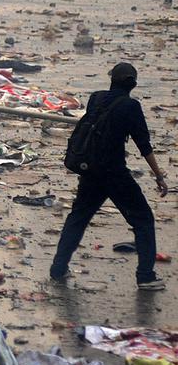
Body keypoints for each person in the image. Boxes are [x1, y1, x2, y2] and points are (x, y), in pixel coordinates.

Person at [50, 63, 168, 290]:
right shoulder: (131, 106)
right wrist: (159, 176)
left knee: (78, 217)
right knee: (143, 220)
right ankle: (146, 277)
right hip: (115, 174)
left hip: (91, 171)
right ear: (133, 83)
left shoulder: (96, 98)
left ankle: (58, 268)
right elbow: (143, 145)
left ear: (112, 79)